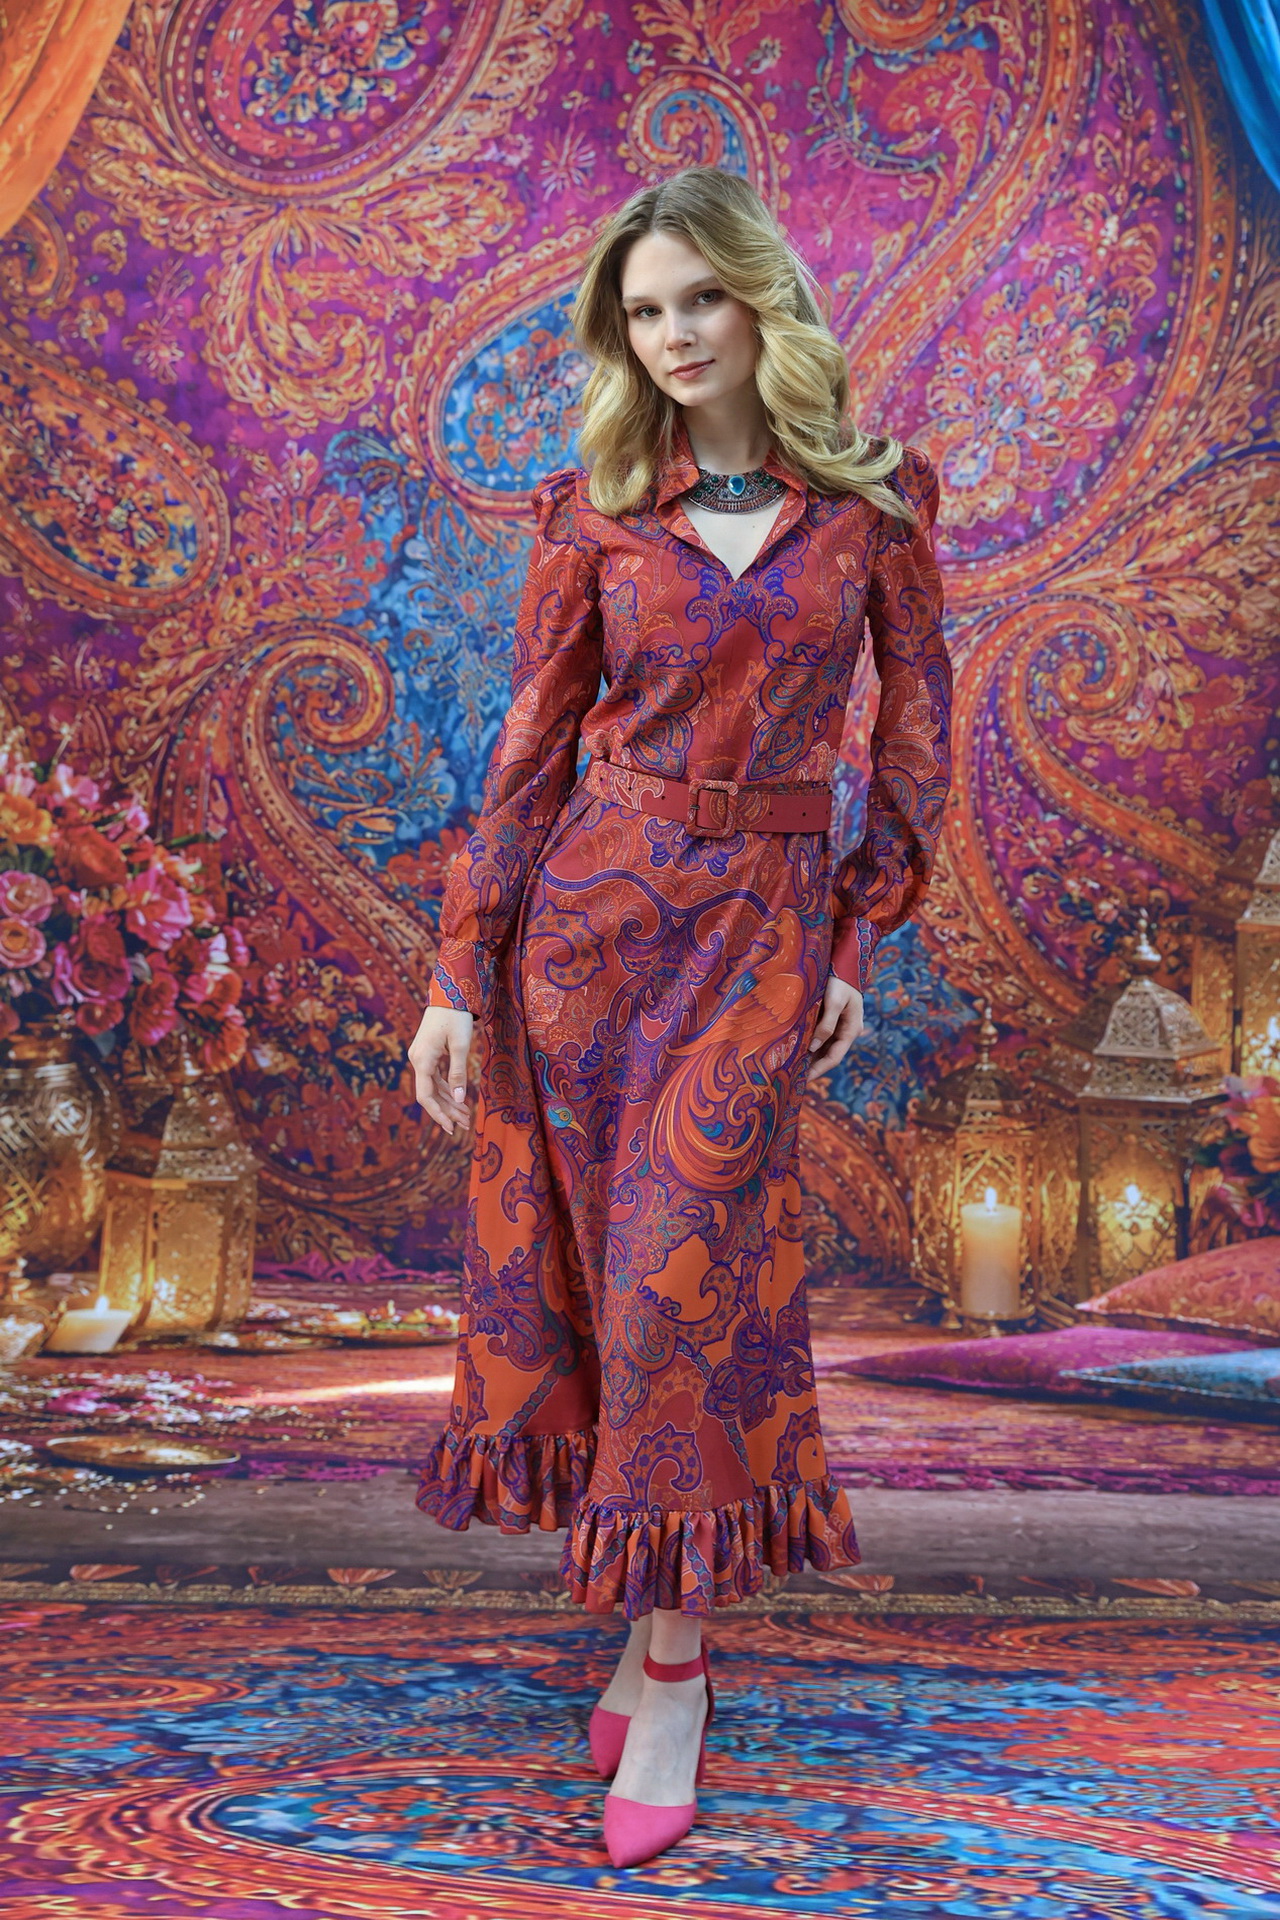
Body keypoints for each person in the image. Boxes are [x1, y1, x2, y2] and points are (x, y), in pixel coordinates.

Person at [408, 165, 951, 1868]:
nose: (673, 334)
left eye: (697, 297)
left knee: (675, 1290)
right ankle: (659, 1636)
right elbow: (527, 751)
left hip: (765, 938)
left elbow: (916, 732)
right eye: (644, 312)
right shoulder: (593, 515)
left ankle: (676, 1668)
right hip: (588, 933)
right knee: (611, 1300)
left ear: (757, 297)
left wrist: (858, 941)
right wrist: (457, 972)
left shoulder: (873, 507)